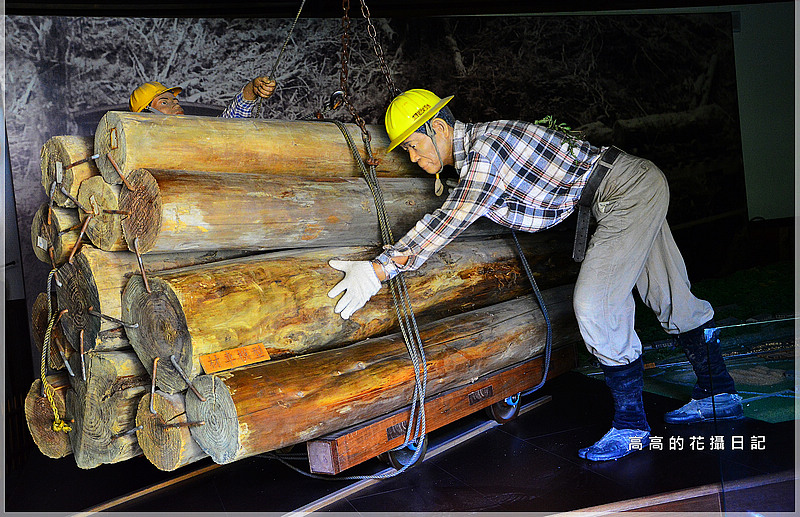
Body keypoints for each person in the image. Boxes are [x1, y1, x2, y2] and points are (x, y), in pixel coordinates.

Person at [326, 88, 743, 462]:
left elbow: (448, 220)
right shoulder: (482, 148)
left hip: (623, 191)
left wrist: (379, 269)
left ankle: (631, 426)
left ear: (437, 128)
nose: (414, 159)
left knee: (594, 304)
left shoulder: (484, 152)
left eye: (413, 146)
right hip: (632, 183)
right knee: (668, 290)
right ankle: (719, 392)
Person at [128, 77, 277, 117]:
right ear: (146, 114)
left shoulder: (196, 134)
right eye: (164, 103)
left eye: (175, 100)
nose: (175, 104)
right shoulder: (136, 149)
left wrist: (252, 89)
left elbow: (229, 124)